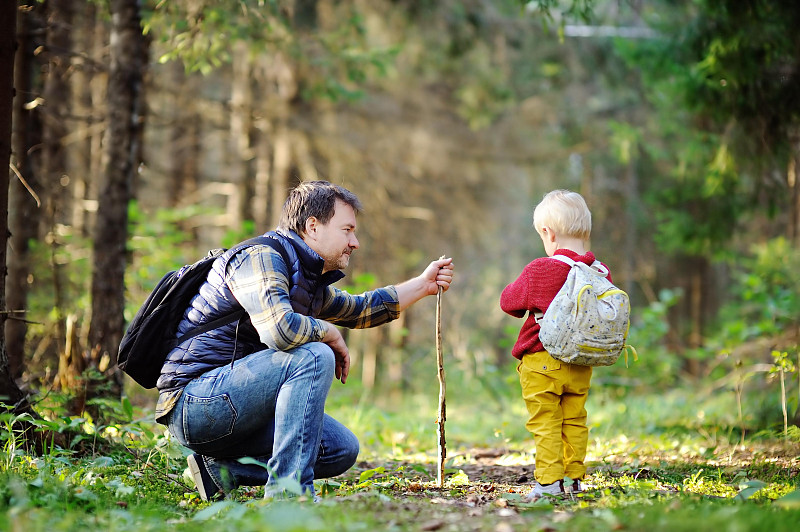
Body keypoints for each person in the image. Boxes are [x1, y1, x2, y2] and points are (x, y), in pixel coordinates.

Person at [155, 180, 454, 501]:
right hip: (195, 405)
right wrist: (328, 333)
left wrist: (422, 285)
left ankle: (219, 471)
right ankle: (289, 495)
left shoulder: (304, 279)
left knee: (339, 448)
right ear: (313, 226)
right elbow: (279, 329)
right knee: (314, 354)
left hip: (234, 405)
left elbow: (360, 309)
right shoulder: (260, 258)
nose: (354, 243)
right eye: (347, 230)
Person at [500, 189, 610, 500]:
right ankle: (573, 480)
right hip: (581, 362)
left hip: (542, 361)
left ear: (548, 233)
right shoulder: (600, 272)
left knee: (546, 422)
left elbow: (509, 302)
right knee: (575, 420)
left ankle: (548, 484)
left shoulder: (541, 269)